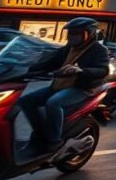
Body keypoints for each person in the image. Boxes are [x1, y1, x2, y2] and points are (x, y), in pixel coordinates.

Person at [18, 17, 110, 156]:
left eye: (77, 33)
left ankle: (55, 141)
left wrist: (81, 71)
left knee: (54, 103)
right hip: (58, 85)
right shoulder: (68, 48)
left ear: (89, 34)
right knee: (26, 101)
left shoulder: (98, 49)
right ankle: (40, 132)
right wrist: (25, 68)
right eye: (70, 33)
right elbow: (51, 62)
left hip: (82, 88)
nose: (72, 37)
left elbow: (103, 70)